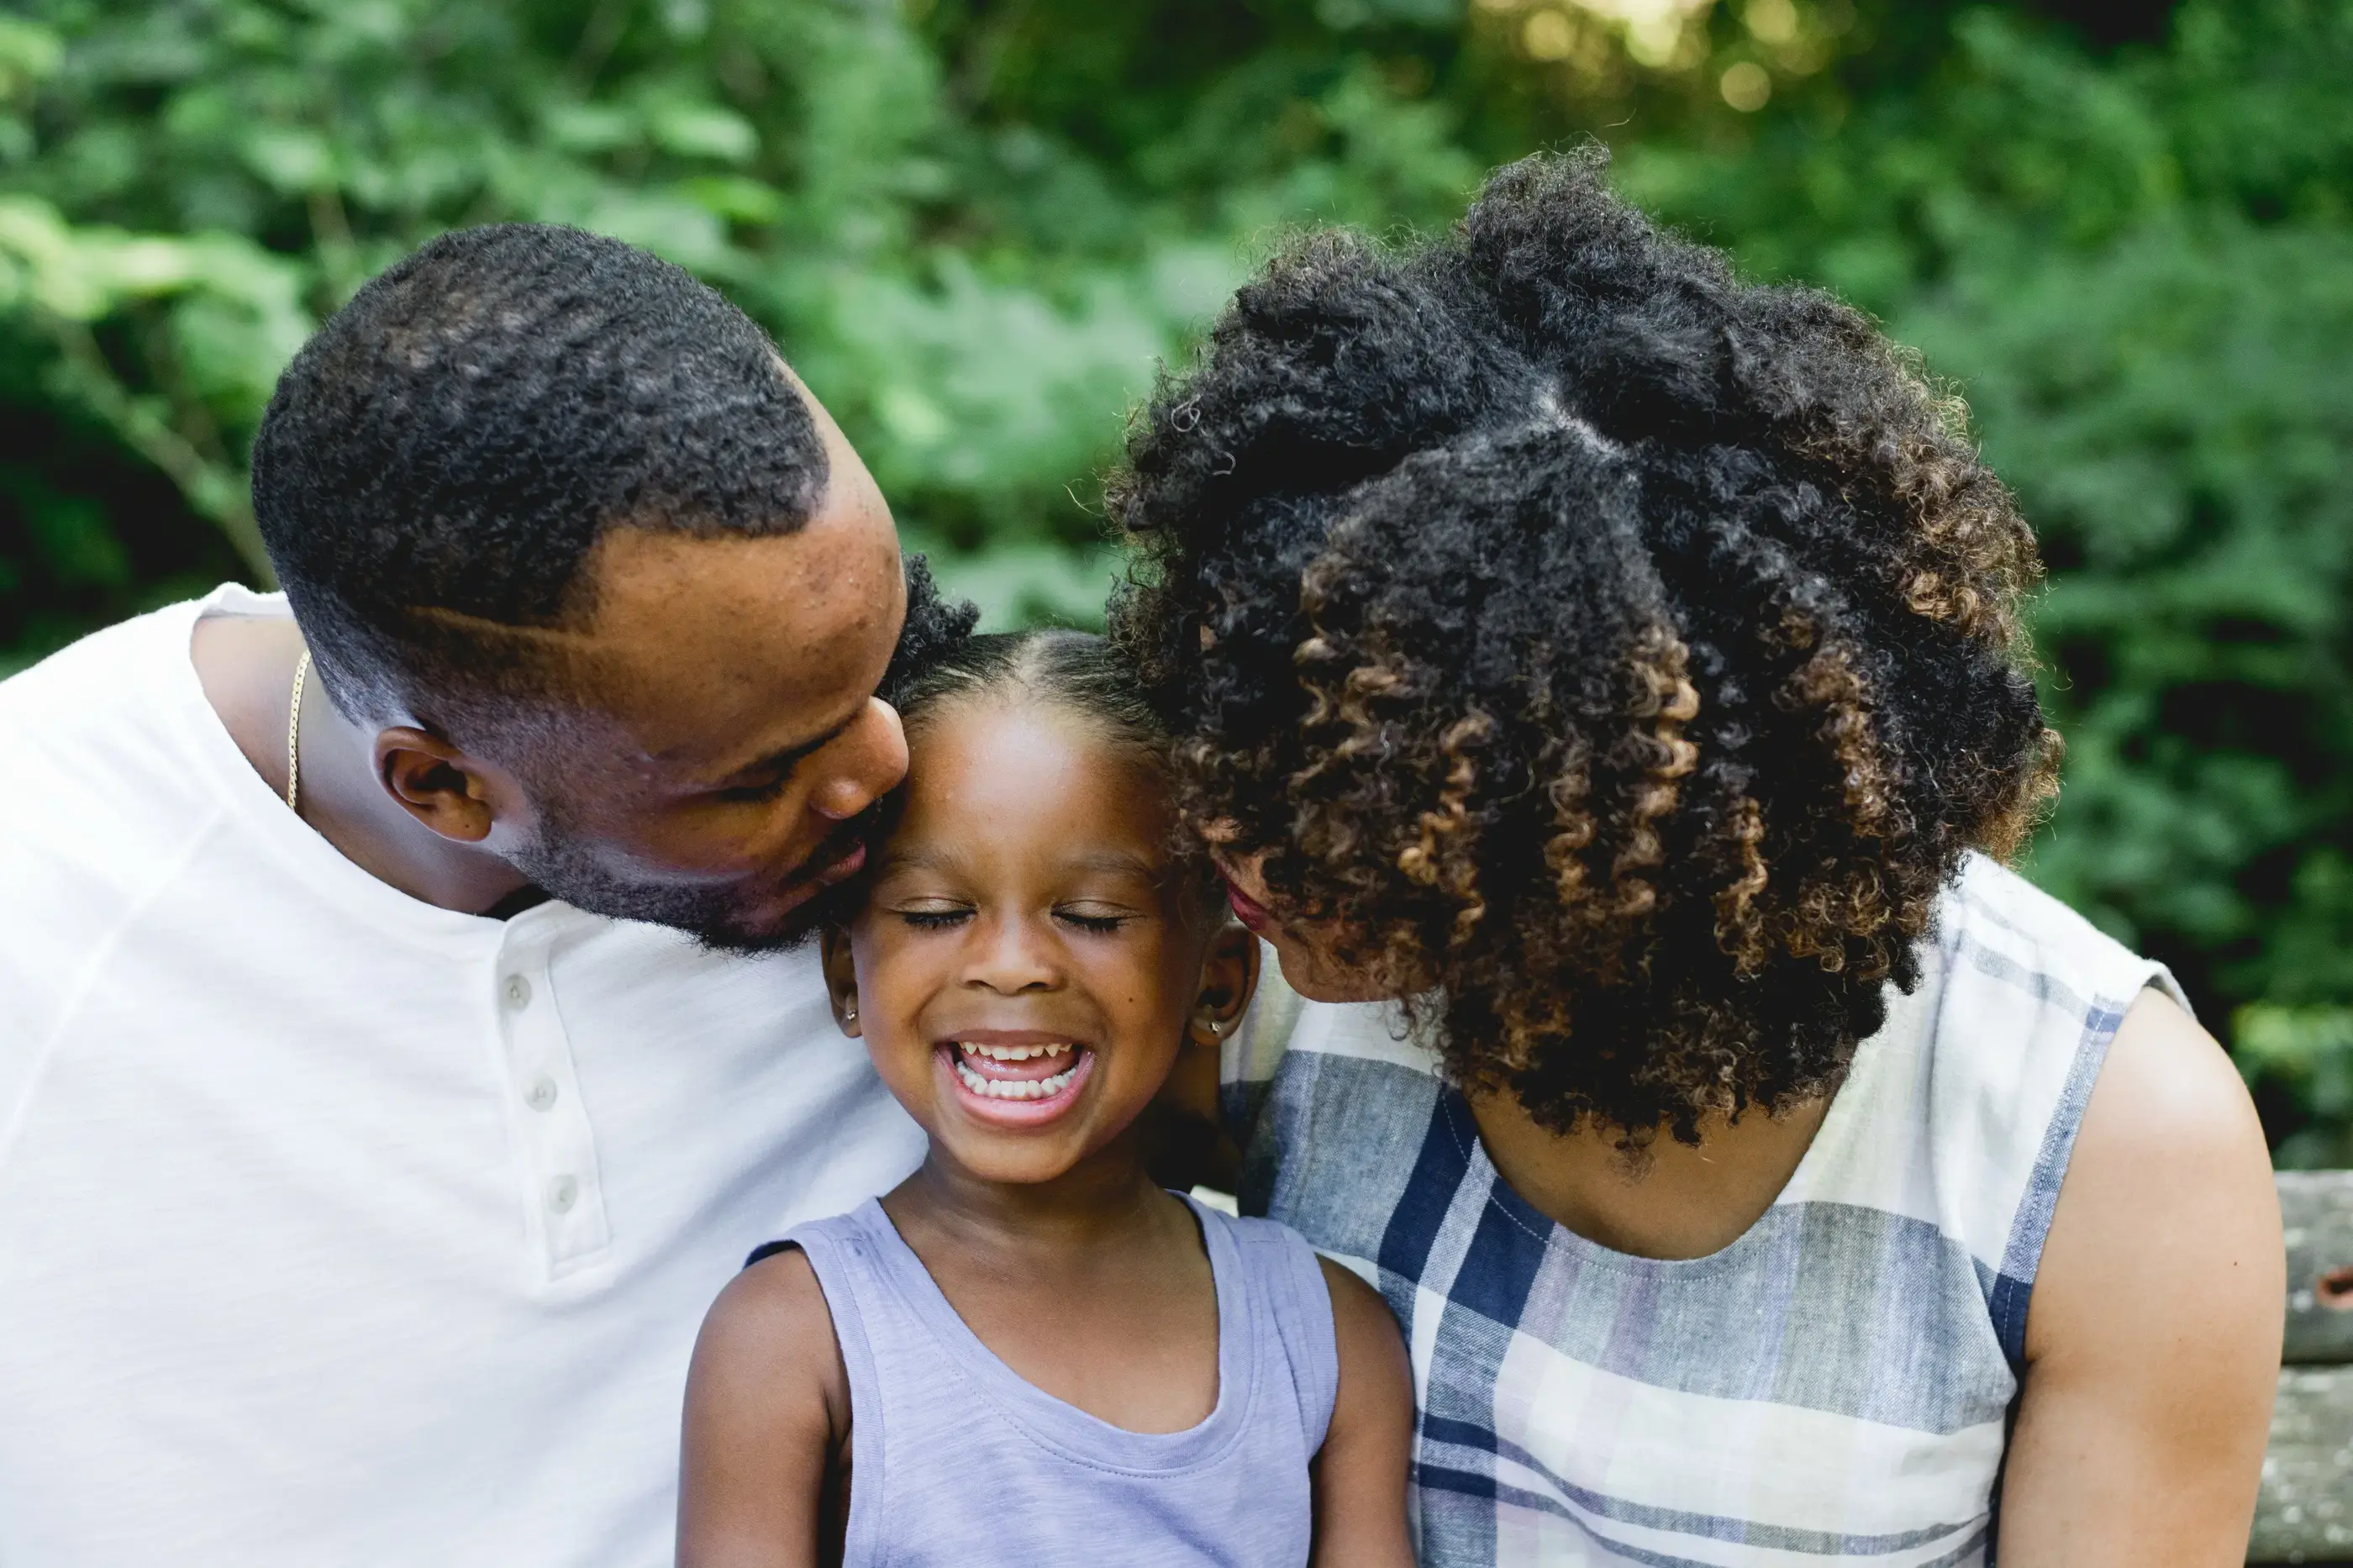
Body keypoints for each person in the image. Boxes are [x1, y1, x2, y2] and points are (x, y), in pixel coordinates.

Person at [1108, 150, 2282, 1565]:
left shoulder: (2106, 1143)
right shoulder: (1258, 970)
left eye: (1377, 799)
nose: (1240, 828)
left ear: (1631, 846)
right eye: (1260, 729)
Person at [0, 224, 973, 1565]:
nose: (886, 761)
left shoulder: (986, 815)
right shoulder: (42, 897)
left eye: (870, 666)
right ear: (448, 789)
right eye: (767, 772)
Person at [677, 630, 1416, 1568]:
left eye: (1093, 916)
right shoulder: (790, 1341)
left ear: (1218, 986)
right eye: (937, 913)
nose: (1013, 965)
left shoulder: (1328, 1340)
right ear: (843, 974)